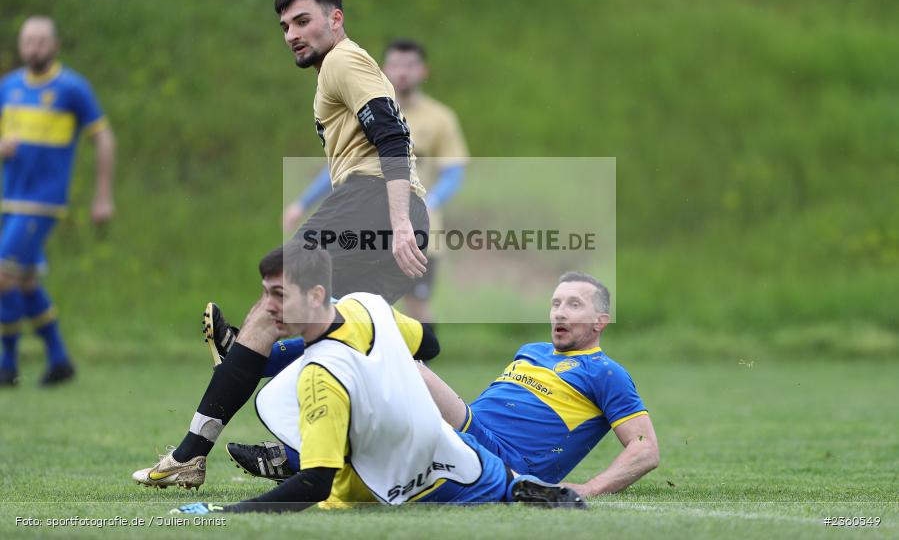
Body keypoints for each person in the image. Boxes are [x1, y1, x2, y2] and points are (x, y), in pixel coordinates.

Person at [133, 0, 430, 487]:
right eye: (285, 26)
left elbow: (392, 137)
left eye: (303, 21)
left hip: (373, 204)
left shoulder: (343, 59)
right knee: (342, 338)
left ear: (335, 19)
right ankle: (299, 449)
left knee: (275, 305)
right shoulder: (337, 69)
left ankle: (197, 441)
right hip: (387, 209)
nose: (292, 33)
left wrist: (398, 222)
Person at [169, 243, 584, 513]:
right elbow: (430, 344)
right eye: (265, 293)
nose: (267, 307)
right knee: (502, 484)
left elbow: (315, 483)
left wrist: (227, 512)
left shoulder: (318, 376)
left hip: (390, 478)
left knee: (337, 484)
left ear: (316, 296)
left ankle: (279, 458)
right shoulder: (366, 304)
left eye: (278, 295)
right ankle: (521, 487)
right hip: (453, 450)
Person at [228, 273, 659, 498]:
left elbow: (645, 449)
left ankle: (258, 366)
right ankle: (292, 449)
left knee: (396, 359)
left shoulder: (605, 372)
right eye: (555, 303)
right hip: (465, 433)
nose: (559, 313)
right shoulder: (532, 349)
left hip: (500, 456)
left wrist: (588, 488)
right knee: (382, 379)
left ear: (601, 320)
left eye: (574, 305)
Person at [283, 38, 469, 322]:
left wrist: (430, 201)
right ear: (384, 69)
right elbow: (343, 166)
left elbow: (454, 172)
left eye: (410, 65)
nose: (402, 72)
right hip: (369, 216)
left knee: (416, 306)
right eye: (395, 65)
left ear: (423, 72)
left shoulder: (440, 118)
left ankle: (418, 361)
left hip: (418, 225)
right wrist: (302, 203)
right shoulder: (368, 105)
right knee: (360, 307)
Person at [0, 16, 116, 387]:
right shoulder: (9, 87)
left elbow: (104, 138)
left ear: (55, 45)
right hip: (9, 198)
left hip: (43, 201)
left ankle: (7, 365)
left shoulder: (72, 88)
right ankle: (59, 359)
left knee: (3, 274)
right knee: (26, 282)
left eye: (40, 41)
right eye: (27, 41)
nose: (33, 47)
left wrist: (102, 196)